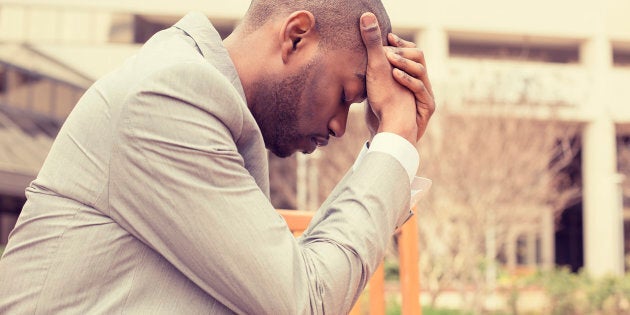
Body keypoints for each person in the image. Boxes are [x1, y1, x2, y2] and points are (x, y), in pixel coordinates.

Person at [0, 0, 435, 313]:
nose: (340, 126)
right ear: (296, 36)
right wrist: (394, 141)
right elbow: (306, 299)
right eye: (345, 95)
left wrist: (388, 151)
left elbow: (291, 277)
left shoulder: (203, 106)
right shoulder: (169, 96)